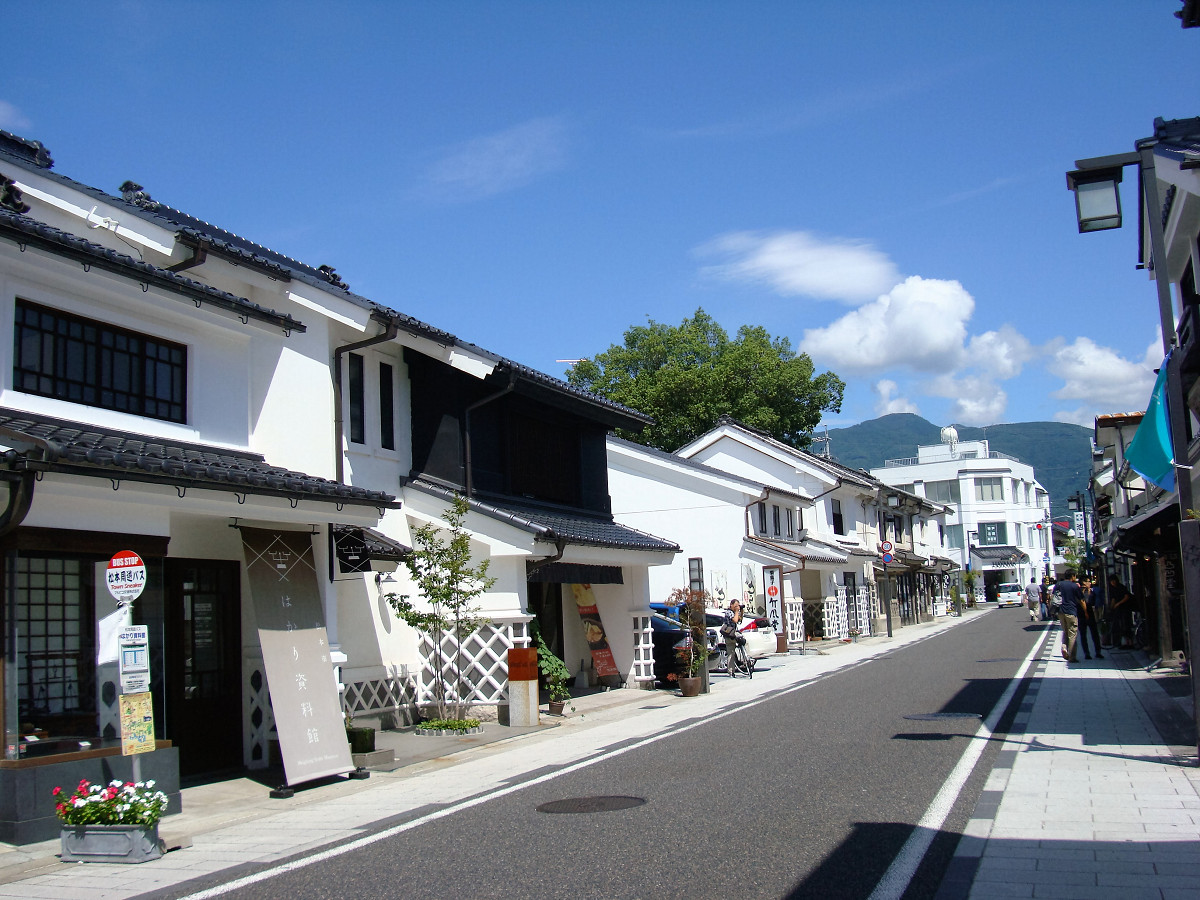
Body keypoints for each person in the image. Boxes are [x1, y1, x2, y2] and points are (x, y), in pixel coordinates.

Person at [1055, 569, 1084, 663]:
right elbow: (1081, 600)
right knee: (1072, 634)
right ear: (1072, 576)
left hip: (1060, 611)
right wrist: (1086, 612)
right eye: (1075, 576)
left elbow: (1053, 597)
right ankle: (1072, 656)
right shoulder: (1074, 586)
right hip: (1071, 611)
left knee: (1065, 631)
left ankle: (1064, 647)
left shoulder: (1058, 584)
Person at [1077, 576, 1104, 660]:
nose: (1090, 583)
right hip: (1083, 614)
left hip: (1089, 614)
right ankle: (1088, 653)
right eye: (1088, 581)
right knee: (1085, 634)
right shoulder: (1079, 592)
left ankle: (1096, 652)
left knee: (1092, 634)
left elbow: (1093, 603)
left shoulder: (1091, 592)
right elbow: (1082, 602)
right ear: (1084, 582)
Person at [722, 599, 745, 675]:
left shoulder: (733, 612)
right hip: (729, 635)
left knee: (743, 641)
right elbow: (735, 620)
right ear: (731, 605)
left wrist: (741, 612)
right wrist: (736, 612)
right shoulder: (728, 612)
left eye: (738, 606)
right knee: (731, 653)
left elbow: (739, 620)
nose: (737, 607)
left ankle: (746, 659)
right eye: (735, 606)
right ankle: (731, 671)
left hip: (733, 633)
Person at [1107, 575, 1132, 649]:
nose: (1113, 582)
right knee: (1118, 625)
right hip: (1118, 610)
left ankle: (1130, 643)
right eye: (1111, 581)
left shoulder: (1121, 587)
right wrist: (1111, 608)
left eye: (1114, 580)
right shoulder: (1112, 589)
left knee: (1126, 625)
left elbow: (1126, 597)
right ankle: (1120, 642)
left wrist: (1118, 604)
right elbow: (1113, 599)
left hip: (1125, 608)